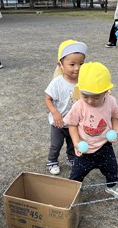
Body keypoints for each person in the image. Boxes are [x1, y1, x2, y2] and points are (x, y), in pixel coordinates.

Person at [63, 62, 118, 200]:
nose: (90, 101)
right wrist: (76, 142)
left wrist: (117, 131)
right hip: (84, 150)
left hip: (105, 146)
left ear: (106, 91)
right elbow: (72, 125)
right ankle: (74, 190)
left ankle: (111, 186)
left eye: (96, 97)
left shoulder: (111, 101)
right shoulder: (79, 105)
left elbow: (115, 116)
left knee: (112, 169)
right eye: (85, 96)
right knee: (76, 174)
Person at [45, 39, 88, 175]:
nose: (77, 68)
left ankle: (71, 158)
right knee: (56, 144)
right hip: (58, 122)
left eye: (81, 64)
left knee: (72, 142)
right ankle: (52, 160)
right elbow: (48, 99)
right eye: (72, 64)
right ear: (60, 64)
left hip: (74, 123)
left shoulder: (84, 81)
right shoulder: (57, 83)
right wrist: (55, 113)